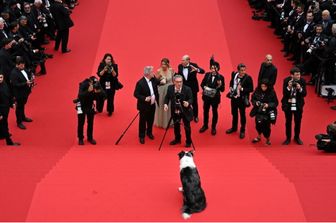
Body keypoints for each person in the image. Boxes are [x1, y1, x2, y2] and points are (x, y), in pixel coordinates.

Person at [164, 75, 193, 148]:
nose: (179, 84)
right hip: (175, 109)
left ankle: (188, 141)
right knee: (176, 125)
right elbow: (167, 97)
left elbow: (191, 99)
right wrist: (165, 104)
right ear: (173, 82)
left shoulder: (187, 89)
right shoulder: (170, 88)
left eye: (180, 82)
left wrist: (188, 103)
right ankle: (177, 139)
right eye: (177, 82)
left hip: (185, 110)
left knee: (187, 127)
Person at [226, 63, 254, 139]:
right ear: (238, 70)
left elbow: (251, 89)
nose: (243, 72)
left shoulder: (248, 78)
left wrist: (242, 89)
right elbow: (231, 82)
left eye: (244, 70)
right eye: (241, 70)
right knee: (234, 113)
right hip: (234, 98)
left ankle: (242, 130)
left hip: (242, 99)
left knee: (242, 115)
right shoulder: (234, 74)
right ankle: (234, 128)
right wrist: (231, 87)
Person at [76, 76, 105, 145]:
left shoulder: (97, 85)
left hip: (90, 105)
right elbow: (80, 95)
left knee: (90, 122)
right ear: (90, 82)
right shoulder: (83, 84)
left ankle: (90, 137)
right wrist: (88, 91)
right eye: (93, 83)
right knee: (81, 122)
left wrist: (99, 92)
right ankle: (80, 138)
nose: (95, 84)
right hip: (80, 105)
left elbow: (104, 95)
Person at [134, 66, 159, 144]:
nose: (153, 73)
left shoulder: (153, 80)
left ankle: (149, 132)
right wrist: (144, 98)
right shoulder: (140, 83)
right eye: (152, 72)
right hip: (144, 106)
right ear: (148, 73)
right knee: (142, 121)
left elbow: (158, 82)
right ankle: (141, 136)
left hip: (152, 104)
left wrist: (161, 78)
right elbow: (136, 94)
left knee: (151, 120)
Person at [281, 67, 307, 145]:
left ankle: (297, 137)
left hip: (298, 104)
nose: (299, 76)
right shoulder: (286, 80)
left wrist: (300, 88)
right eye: (297, 75)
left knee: (298, 121)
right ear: (292, 75)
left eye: (299, 74)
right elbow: (284, 94)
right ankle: (288, 138)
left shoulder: (302, 81)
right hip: (288, 104)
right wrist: (288, 87)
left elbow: (305, 94)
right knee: (288, 121)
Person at [199, 57, 225, 135]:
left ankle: (213, 127)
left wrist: (220, 85)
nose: (213, 69)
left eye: (214, 68)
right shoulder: (207, 75)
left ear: (218, 68)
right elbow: (202, 84)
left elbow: (223, 89)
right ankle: (205, 125)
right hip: (206, 97)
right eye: (212, 68)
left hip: (215, 98)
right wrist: (205, 88)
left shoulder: (221, 77)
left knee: (214, 112)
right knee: (205, 111)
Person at [250, 79, 278, 145]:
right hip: (259, 111)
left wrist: (268, 105)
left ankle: (268, 139)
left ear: (267, 86)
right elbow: (253, 98)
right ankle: (259, 136)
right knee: (258, 125)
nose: (263, 88)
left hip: (267, 112)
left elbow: (276, 103)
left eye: (265, 86)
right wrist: (255, 103)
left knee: (266, 127)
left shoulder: (272, 92)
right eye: (262, 86)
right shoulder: (257, 90)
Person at [177, 55, 205, 123]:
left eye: (183, 60)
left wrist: (197, 69)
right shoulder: (180, 66)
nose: (182, 62)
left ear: (188, 60)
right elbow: (179, 75)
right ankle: (185, 115)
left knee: (194, 102)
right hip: (184, 88)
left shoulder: (194, 65)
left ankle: (195, 116)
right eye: (182, 60)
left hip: (193, 88)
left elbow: (203, 71)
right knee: (183, 101)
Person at [10, 57, 33, 130]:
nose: (23, 67)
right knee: (19, 107)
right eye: (22, 65)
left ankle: (23, 117)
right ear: (17, 65)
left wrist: (31, 77)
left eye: (24, 65)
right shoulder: (14, 73)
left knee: (23, 105)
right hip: (19, 94)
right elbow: (15, 84)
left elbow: (27, 74)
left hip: (25, 92)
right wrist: (25, 83)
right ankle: (19, 122)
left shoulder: (23, 69)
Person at [0, 73, 20, 146]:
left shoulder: (5, 84)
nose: (0, 79)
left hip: (6, 109)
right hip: (1, 111)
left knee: (2, 124)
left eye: (1, 77)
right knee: (5, 125)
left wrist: (12, 103)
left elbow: (9, 95)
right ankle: (9, 142)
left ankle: (2, 135)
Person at [154, 58, 174, 128]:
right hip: (161, 90)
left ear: (168, 64)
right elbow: (155, 82)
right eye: (162, 64)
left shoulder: (171, 70)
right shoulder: (159, 71)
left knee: (169, 104)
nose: (163, 66)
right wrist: (160, 80)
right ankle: (161, 122)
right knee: (162, 104)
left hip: (169, 89)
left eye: (164, 64)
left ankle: (170, 121)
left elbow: (173, 80)